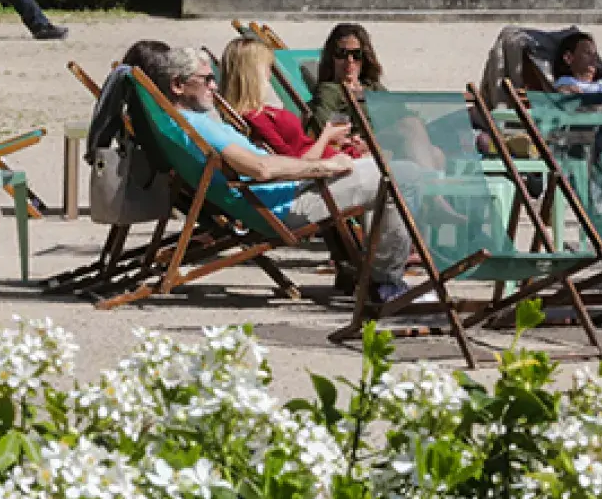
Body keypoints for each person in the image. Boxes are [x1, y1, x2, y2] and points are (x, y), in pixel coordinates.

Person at [147, 47, 419, 302]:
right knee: (403, 177)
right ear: (178, 85)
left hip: (283, 193)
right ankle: (385, 283)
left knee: (392, 172)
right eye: (206, 80)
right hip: (285, 205)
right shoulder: (197, 127)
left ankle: (374, 273)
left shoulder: (182, 123)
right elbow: (261, 168)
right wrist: (325, 166)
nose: (214, 86)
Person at [219, 39, 362, 159]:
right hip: (329, 171)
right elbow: (295, 164)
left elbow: (300, 145)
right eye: (268, 67)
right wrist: (326, 136)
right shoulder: (256, 120)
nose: (270, 74)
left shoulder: (258, 113)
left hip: (338, 156)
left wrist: (334, 140)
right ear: (253, 74)